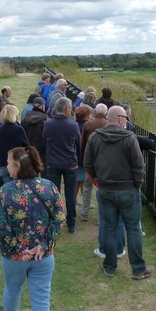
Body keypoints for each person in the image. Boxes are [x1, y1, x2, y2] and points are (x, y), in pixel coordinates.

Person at [0, 146, 65, 311]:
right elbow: (59, 218)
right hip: (42, 257)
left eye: (8, 162)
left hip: (15, 258)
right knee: (41, 300)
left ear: (17, 166)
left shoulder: (5, 191)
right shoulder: (49, 188)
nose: (6, 165)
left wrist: (18, 249)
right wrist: (44, 245)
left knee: (12, 288)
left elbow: (2, 226)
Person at [84, 105, 152, 280]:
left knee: (109, 227)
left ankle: (109, 267)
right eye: (126, 117)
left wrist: (98, 180)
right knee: (134, 229)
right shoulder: (129, 137)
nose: (127, 120)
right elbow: (139, 165)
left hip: (105, 190)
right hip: (127, 190)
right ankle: (138, 269)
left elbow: (88, 164)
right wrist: (136, 184)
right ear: (120, 119)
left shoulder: (95, 137)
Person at [42, 97, 80, 233]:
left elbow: (45, 141)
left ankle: (54, 222)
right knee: (70, 195)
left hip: (53, 163)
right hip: (70, 163)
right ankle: (71, 224)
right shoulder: (73, 125)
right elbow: (77, 144)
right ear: (67, 109)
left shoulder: (48, 124)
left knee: (53, 194)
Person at [79, 103, 108, 221]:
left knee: (87, 187)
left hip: (90, 160)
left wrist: (83, 157)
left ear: (95, 112)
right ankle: (100, 217)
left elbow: (83, 144)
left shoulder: (88, 125)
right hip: (105, 161)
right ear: (106, 113)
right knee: (102, 188)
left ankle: (84, 213)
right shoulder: (109, 125)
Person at [0, 105, 29, 185]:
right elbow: (26, 146)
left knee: (8, 189)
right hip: (16, 162)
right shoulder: (18, 129)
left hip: (4, 162)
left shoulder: (1, 129)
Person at [73, 105, 91, 215]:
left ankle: (80, 201)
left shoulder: (74, 125)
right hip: (83, 156)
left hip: (75, 156)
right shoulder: (87, 126)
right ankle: (80, 202)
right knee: (81, 180)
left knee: (79, 180)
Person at [22, 97, 48, 165]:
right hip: (42, 152)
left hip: (28, 150)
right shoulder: (46, 120)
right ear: (42, 106)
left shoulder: (25, 119)